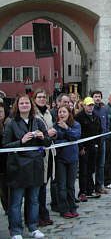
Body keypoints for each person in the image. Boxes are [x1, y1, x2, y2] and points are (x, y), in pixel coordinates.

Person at [3, 94, 52, 239]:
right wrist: (21, 141)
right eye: (21, 103)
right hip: (18, 167)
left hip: (35, 166)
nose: (24, 105)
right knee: (16, 201)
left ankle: (33, 227)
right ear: (17, 106)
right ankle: (16, 230)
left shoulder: (37, 122)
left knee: (34, 199)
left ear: (31, 105)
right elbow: (5, 146)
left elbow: (48, 142)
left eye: (27, 103)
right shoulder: (11, 123)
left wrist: (43, 138)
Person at [32, 89, 57, 227]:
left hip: (49, 152)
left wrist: (53, 134)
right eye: (39, 97)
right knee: (38, 187)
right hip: (38, 153)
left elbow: (52, 131)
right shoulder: (33, 114)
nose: (42, 99)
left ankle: (43, 213)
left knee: (44, 184)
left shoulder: (47, 113)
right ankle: (39, 215)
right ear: (35, 98)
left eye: (44, 97)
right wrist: (47, 134)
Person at [53, 105, 81, 219]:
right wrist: (65, 136)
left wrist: (66, 129)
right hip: (60, 159)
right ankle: (64, 209)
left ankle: (72, 206)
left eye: (64, 112)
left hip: (73, 158)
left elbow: (76, 136)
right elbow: (55, 139)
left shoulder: (75, 124)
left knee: (71, 185)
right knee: (62, 186)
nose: (62, 114)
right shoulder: (55, 126)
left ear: (69, 113)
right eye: (60, 112)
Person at [75, 97, 102, 201]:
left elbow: (99, 131)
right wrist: (80, 147)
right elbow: (79, 134)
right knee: (83, 170)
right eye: (88, 105)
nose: (90, 107)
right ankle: (82, 192)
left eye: (92, 105)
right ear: (84, 106)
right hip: (84, 147)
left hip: (93, 146)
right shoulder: (79, 117)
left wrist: (98, 144)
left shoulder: (96, 117)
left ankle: (90, 189)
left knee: (91, 169)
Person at [91, 90, 109, 195]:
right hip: (93, 142)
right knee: (92, 165)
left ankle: (99, 185)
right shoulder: (91, 109)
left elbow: (106, 122)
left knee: (101, 165)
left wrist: (105, 133)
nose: (97, 98)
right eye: (95, 96)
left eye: (99, 96)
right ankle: (90, 187)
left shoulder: (103, 110)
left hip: (102, 140)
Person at [0, 102, 10, 215]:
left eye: (1, 111)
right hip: (1, 162)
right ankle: (7, 207)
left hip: (9, 159)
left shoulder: (9, 123)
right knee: (2, 187)